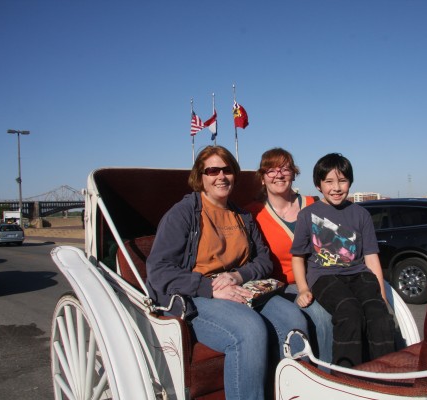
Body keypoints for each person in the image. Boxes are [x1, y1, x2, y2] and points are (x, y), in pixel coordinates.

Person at [146, 145, 308, 400]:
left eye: (227, 170)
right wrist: (209, 288)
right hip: (197, 293)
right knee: (249, 329)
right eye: (212, 170)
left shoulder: (242, 215)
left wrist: (237, 276)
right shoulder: (183, 213)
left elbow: (264, 260)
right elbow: (159, 270)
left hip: (244, 287)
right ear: (200, 177)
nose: (221, 176)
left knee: (293, 319)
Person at [290, 153, 396, 368]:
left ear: (350, 182)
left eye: (342, 181)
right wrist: (302, 289)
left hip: (359, 274)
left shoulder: (361, 214)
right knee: (349, 311)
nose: (336, 188)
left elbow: (371, 257)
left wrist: (383, 298)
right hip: (324, 276)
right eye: (329, 181)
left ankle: (386, 373)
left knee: (379, 315)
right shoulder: (307, 215)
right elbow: (298, 257)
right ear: (318, 185)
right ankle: (346, 374)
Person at [247, 148, 333, 363]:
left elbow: (334, 248)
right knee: (322, 317)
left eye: (285, 168)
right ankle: (319, 379)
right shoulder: (252, 214)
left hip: (320, 278)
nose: (279, 174)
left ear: (294, 173)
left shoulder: (314, 204)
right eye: (271, 169)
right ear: (262, 176)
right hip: (282, 285)